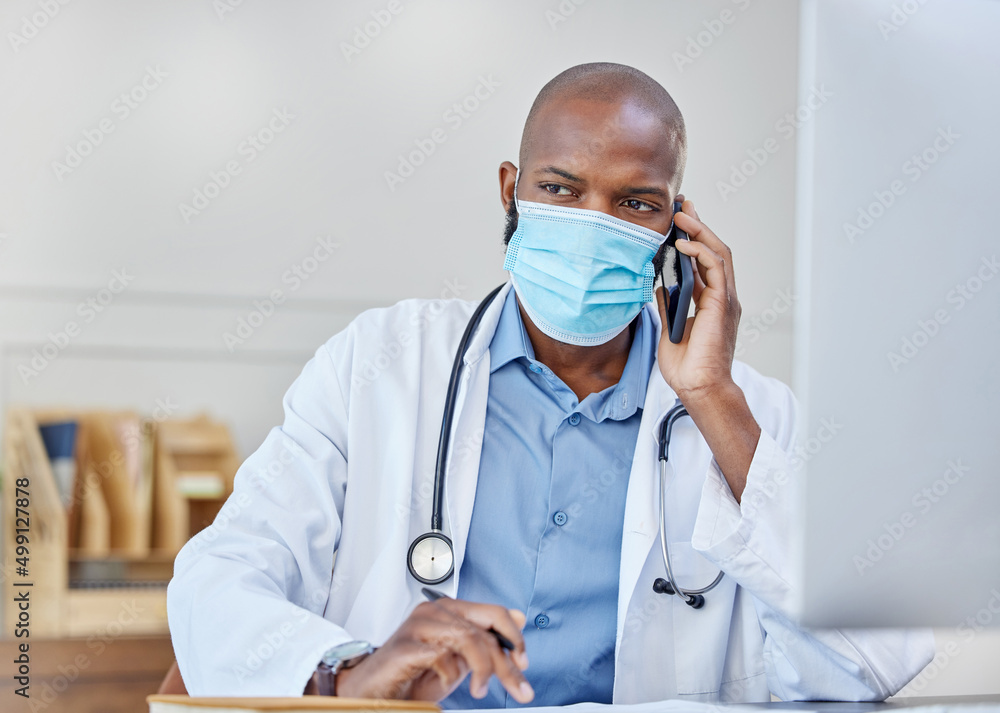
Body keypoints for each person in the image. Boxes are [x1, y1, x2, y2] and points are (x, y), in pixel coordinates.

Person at [167, 62, 933, 705]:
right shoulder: (381, 362)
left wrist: (712, 397)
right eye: (562, 189)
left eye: (635, 202)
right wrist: (345, 670)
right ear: (511, 192)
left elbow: (877, 657)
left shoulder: (746, 416)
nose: (594, 223)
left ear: (676, 230)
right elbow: (220, 579)